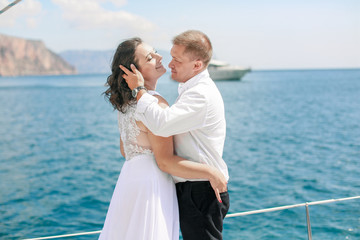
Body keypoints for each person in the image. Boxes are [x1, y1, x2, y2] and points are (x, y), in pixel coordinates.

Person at [99, 37, 227, 240]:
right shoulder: (154, 103)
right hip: (152, 184)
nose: (160, 57)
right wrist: (211, 172)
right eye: (150, 57)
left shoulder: (125, 105)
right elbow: (165, 161)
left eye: (156, 52)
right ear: (135, 72)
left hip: (129, 181)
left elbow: (126, 151)